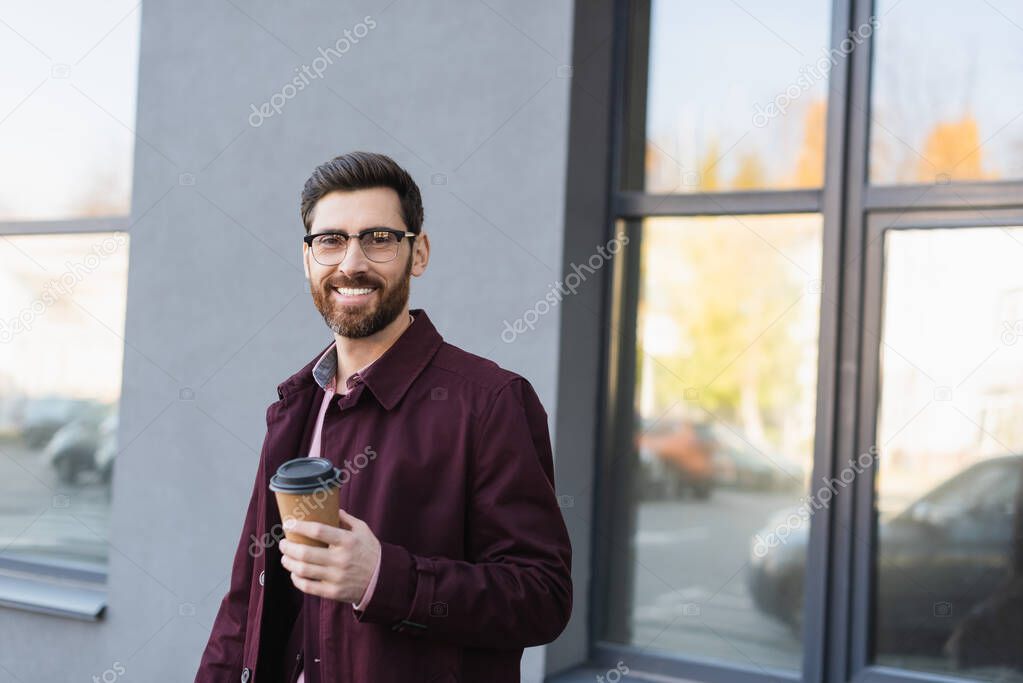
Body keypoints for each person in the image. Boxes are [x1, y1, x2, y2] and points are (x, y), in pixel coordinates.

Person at [195, 151, 573, 683]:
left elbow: (542, 598)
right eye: (330, 240)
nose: (351, 263)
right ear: (308, 259)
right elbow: (245, 603)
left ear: (417, 253)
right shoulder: (295, 405)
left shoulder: (491, 402)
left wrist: (384, 579)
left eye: (378, 238)